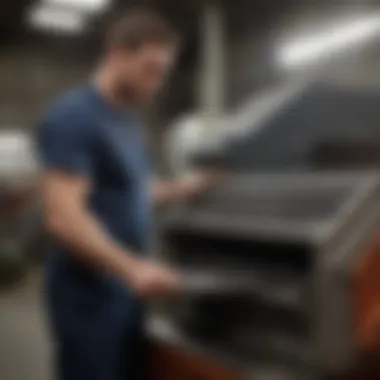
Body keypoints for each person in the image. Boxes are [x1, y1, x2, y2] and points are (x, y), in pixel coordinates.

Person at [37, 9, 217, 380]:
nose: (157, 83)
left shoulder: (127, 121)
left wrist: (185, 187)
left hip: (123, 290)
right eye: (150, 69)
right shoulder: (75, 117)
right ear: (117, 54)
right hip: (89, 295)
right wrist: (133, 269)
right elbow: (63, 218)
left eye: (163, 73)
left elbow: (131, 190)